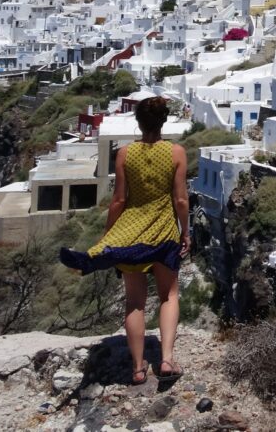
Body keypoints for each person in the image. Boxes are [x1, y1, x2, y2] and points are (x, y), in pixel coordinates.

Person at [60, 97, 190, 384]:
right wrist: (185, 232)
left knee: (134, 302)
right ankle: (166, 360)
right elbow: (180, 199)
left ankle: (138, 367)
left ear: (139, 123)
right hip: (165, 231)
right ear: (164, 121)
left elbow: (119, 200)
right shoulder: (176, 152)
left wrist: (108, 235)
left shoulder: (125, 155)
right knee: (168, 295)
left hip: (132, 230)